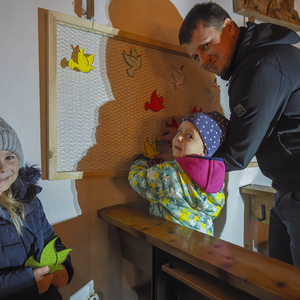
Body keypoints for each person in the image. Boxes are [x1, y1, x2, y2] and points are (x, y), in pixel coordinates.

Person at [156, 1, 300, 267]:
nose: (203, 61)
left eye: (206, 45)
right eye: (195, 56)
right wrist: (185, 136)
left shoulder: (262, 66)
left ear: (229, 27)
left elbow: (237, 153)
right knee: (282, 278)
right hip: (285, 189)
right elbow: (240, 130)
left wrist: (183, 157)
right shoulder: (255, 62)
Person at [0, 117, 74, 300]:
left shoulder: (30, 201)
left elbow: (51, 239)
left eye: (9, 157)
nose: (3, 168)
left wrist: (64, 267)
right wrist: (27, 281)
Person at [129, 111, 228, 236]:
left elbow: (136, 179)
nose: (179, 137)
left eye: (189, 136)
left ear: (205, 149)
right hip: (202, 244)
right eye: (180, 131)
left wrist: (141, 162)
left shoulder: (167, 174)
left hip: (170, 242)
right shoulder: (216, 180)